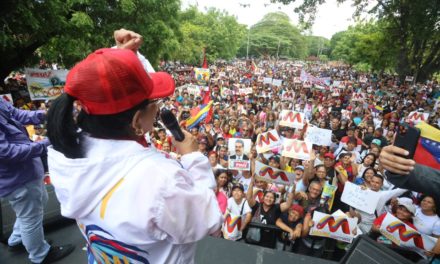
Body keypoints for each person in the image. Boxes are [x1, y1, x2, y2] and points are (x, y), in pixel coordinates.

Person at [46, 32, 222, 263]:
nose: (159, 108)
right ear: (137, 121)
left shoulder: (63, 152)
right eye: (155, 103)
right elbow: (207, 219)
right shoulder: (160, 181)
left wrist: (118, 60)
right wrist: (193, 159)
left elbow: (105, 93)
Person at [0, 98, 75, 264]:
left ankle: (17, 239)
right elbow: (7, 153)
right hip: (17, 176)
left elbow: (15, 114)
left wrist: (47, 115)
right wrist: (49, 142)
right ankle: (40, 254)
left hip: (26, 170)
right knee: (30, 216)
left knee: (37, 203)